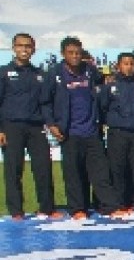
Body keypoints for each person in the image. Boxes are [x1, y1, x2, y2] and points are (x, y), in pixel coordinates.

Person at [43, 36, 123, 219]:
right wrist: (52, 124)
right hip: (69, 133)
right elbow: (45, 102)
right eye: (71, 53)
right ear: (63, 54)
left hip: (92, 132)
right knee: (74, 174)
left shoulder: (90, 71)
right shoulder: (54, 74)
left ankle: (109, 206)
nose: (75, 56)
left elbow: (106, 82)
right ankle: (78, 209)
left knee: (101, 173)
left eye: (78, 53)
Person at [0, 32, 60, 220]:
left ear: (33, 50)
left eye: (28, 46)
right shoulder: (3, 73)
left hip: (36, 127)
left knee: (43, 168)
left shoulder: (40, 75)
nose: (24, 49)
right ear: (13, 48)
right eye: (20, 46)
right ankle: (16, 211)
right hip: (12, 126)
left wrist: (50, 124)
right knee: (13, 170)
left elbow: (46, 103)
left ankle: (47, 209)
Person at [98, 52, 134, 212]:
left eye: (131, 64)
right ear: (118, 65)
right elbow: (103, 107)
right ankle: (119, 203)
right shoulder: (110, 87)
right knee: (117, 169)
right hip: (117, 133)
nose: (128, 67)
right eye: (125, 64)